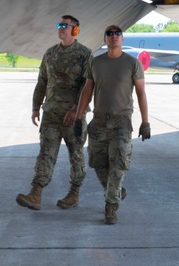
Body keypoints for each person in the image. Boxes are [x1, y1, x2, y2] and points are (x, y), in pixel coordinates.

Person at [72, 23, 151, 224]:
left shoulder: (133, 63)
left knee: (118, 165)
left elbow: (141, 93)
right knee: (98, 163)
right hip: (98, 121)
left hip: (121, 122)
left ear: (122, 38)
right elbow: (87, 91)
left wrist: (145, 122)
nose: (114, 36)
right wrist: (79, 118)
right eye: (109, 34)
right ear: (105, 39)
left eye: (117, 34)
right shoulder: (96, 63)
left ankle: (110, 207)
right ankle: (116, 191)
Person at [16, 15, 93, 211]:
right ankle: (36, 193)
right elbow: (42, 81)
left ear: (75, 29)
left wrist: (76, 109)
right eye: (59, 25)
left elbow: (88, 86)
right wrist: (35, 107)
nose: (61, 28)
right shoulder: (50, 53)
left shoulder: (85, 54)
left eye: (65, 25)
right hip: (51, 114)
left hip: (74, 116)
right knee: (45, 154)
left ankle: (74, 193)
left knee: (76, 155)